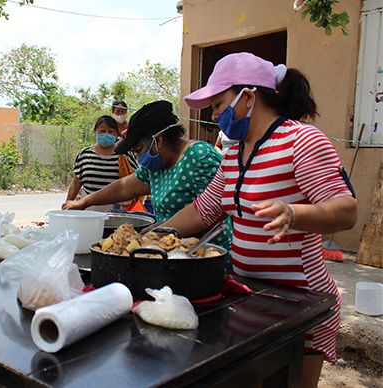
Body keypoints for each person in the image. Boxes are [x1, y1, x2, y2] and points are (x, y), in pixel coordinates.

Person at [158, 52, 357, 387]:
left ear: (248, 97)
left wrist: (295, 213)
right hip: (252, 299)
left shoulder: (301, 141)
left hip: (300, 304)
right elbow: (203, 209)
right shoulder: (234, 153)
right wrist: (149, 234)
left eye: (219, 104)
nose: (214, 114)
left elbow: (346, 209)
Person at [63, 100, 231, 253]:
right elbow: (123, 187)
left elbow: (210, 211)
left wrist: (161, 230)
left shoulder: (199, 156)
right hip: (169, 253)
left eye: (138, 151)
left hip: (205, 254)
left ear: (157, 141)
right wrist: (85, 201)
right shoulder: (156, 165)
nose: (138, 158)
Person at [64, 115, 138, 212]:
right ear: (95, 133)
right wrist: (68, 205)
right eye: (102, 131)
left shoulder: (124, 154)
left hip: (117, 212)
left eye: (111, 131)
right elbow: (75, 184)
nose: (106, 134)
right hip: (88, 210)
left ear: (117, 134)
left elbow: (137, 180)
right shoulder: (85, 154)